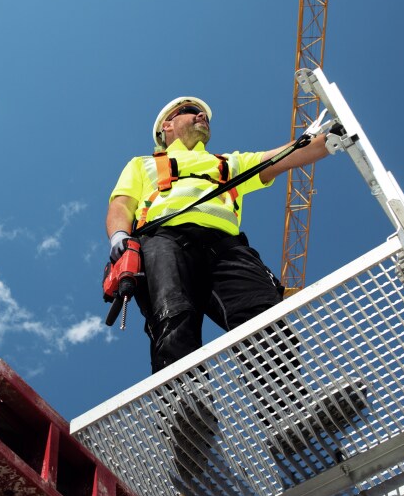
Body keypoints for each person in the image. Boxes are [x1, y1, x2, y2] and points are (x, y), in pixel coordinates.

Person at [105, 96, 333, 374]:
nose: (202, 116)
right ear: (167, 125)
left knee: (261, 315)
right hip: (161, 240)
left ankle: (294, 405)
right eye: (191, 112)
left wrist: (330, 138)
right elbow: (122, 204)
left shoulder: (229, 163)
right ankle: (185, 406)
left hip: (226, 247)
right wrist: (119, 236)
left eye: (205, 115)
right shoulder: (143, 164)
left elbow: (283, 156)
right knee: (173, 315)